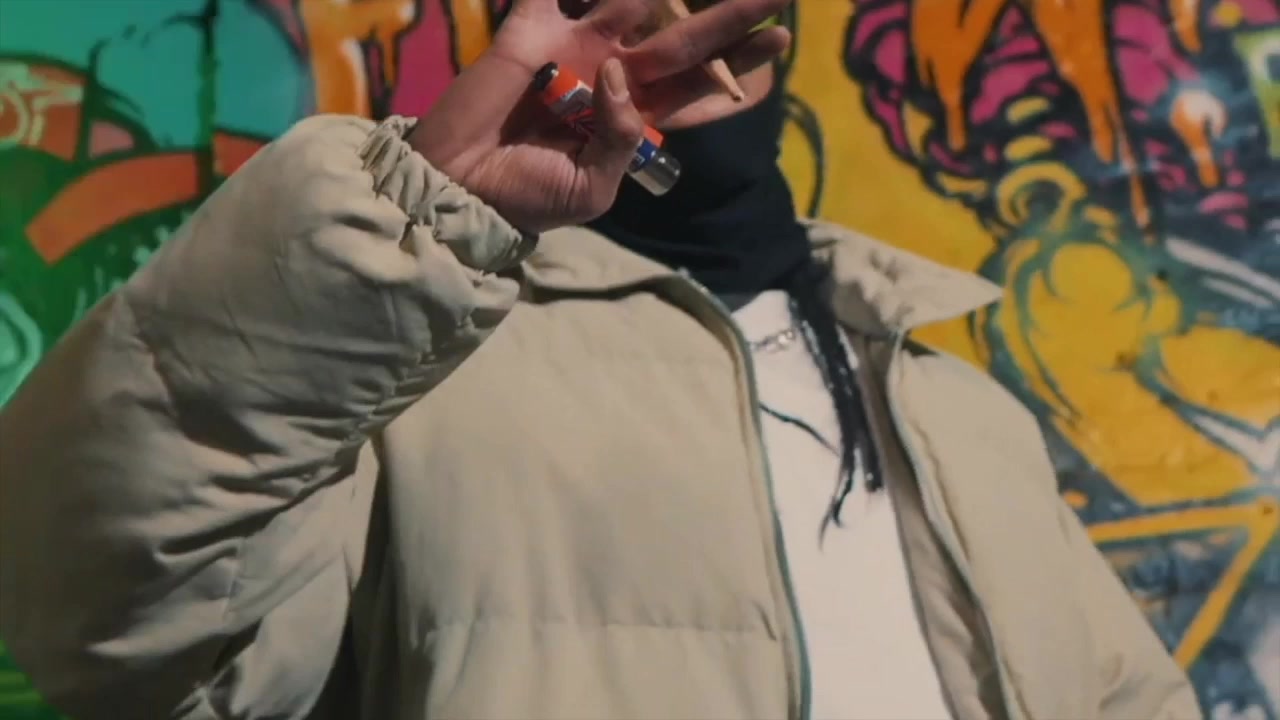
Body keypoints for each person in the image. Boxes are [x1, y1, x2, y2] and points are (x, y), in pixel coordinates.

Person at [0, 0, 1200, 718]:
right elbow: (110, 625)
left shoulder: (958, 405)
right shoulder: (407, 355)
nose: (661, 21)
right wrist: (409, 223)